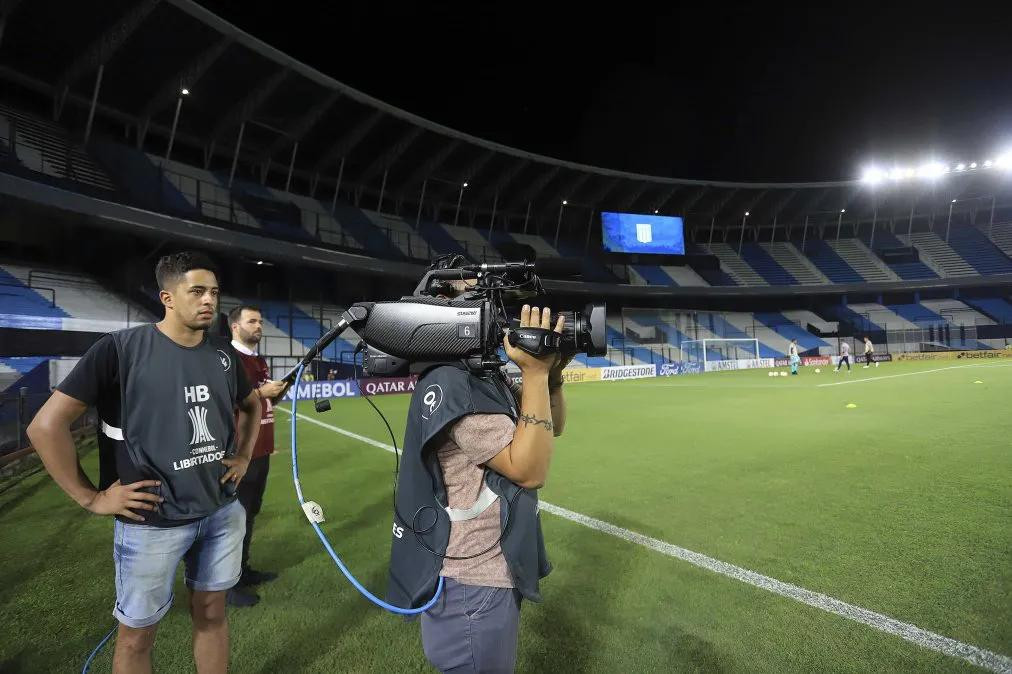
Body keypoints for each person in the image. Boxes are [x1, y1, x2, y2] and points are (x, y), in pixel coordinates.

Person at [27, 252, 261, 674]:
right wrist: (91, 498)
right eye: (197, 292)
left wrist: (243, 456)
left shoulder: (224, 355)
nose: (209, 300)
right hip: (151, 523)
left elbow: (251, 405)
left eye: (214, 292)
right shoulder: (120, 350)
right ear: (167, 297)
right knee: (136, 637)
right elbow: (45, 427)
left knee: (212, 614)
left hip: (221, 511)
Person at [387, 256, 571, 673]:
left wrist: (551, 376)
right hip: (471, 583)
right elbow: (529, 469)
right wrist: (537, 377)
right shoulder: (454, 382)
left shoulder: (479, 373)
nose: (491, 307)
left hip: (484, 573)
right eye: (474, 294)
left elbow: (550, 427)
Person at [227, 305, 288, 607]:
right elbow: (225, 401)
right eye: (252, 321)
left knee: (249, 514)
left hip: (261, 450)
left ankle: (242, 570)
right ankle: (226, 584)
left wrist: (276, 393)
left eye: (261, 321)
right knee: (232, 520)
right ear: (235, 327)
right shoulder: (227, 359)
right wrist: (261, 393)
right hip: (238, 453)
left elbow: (262, 405)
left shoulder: (258, 359)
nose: (259, 325)